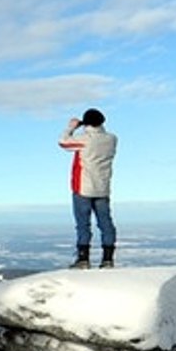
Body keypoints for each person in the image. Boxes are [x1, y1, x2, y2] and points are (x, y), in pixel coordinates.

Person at [58, 109, 117, 268]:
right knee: (106, 223)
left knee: (83, 224)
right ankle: (108, 259)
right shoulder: (112, 139)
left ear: (87, 124)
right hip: (103, 188)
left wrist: (71, 127)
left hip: (83, 187)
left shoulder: (85, 140)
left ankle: (83, 259)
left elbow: (63, 142)